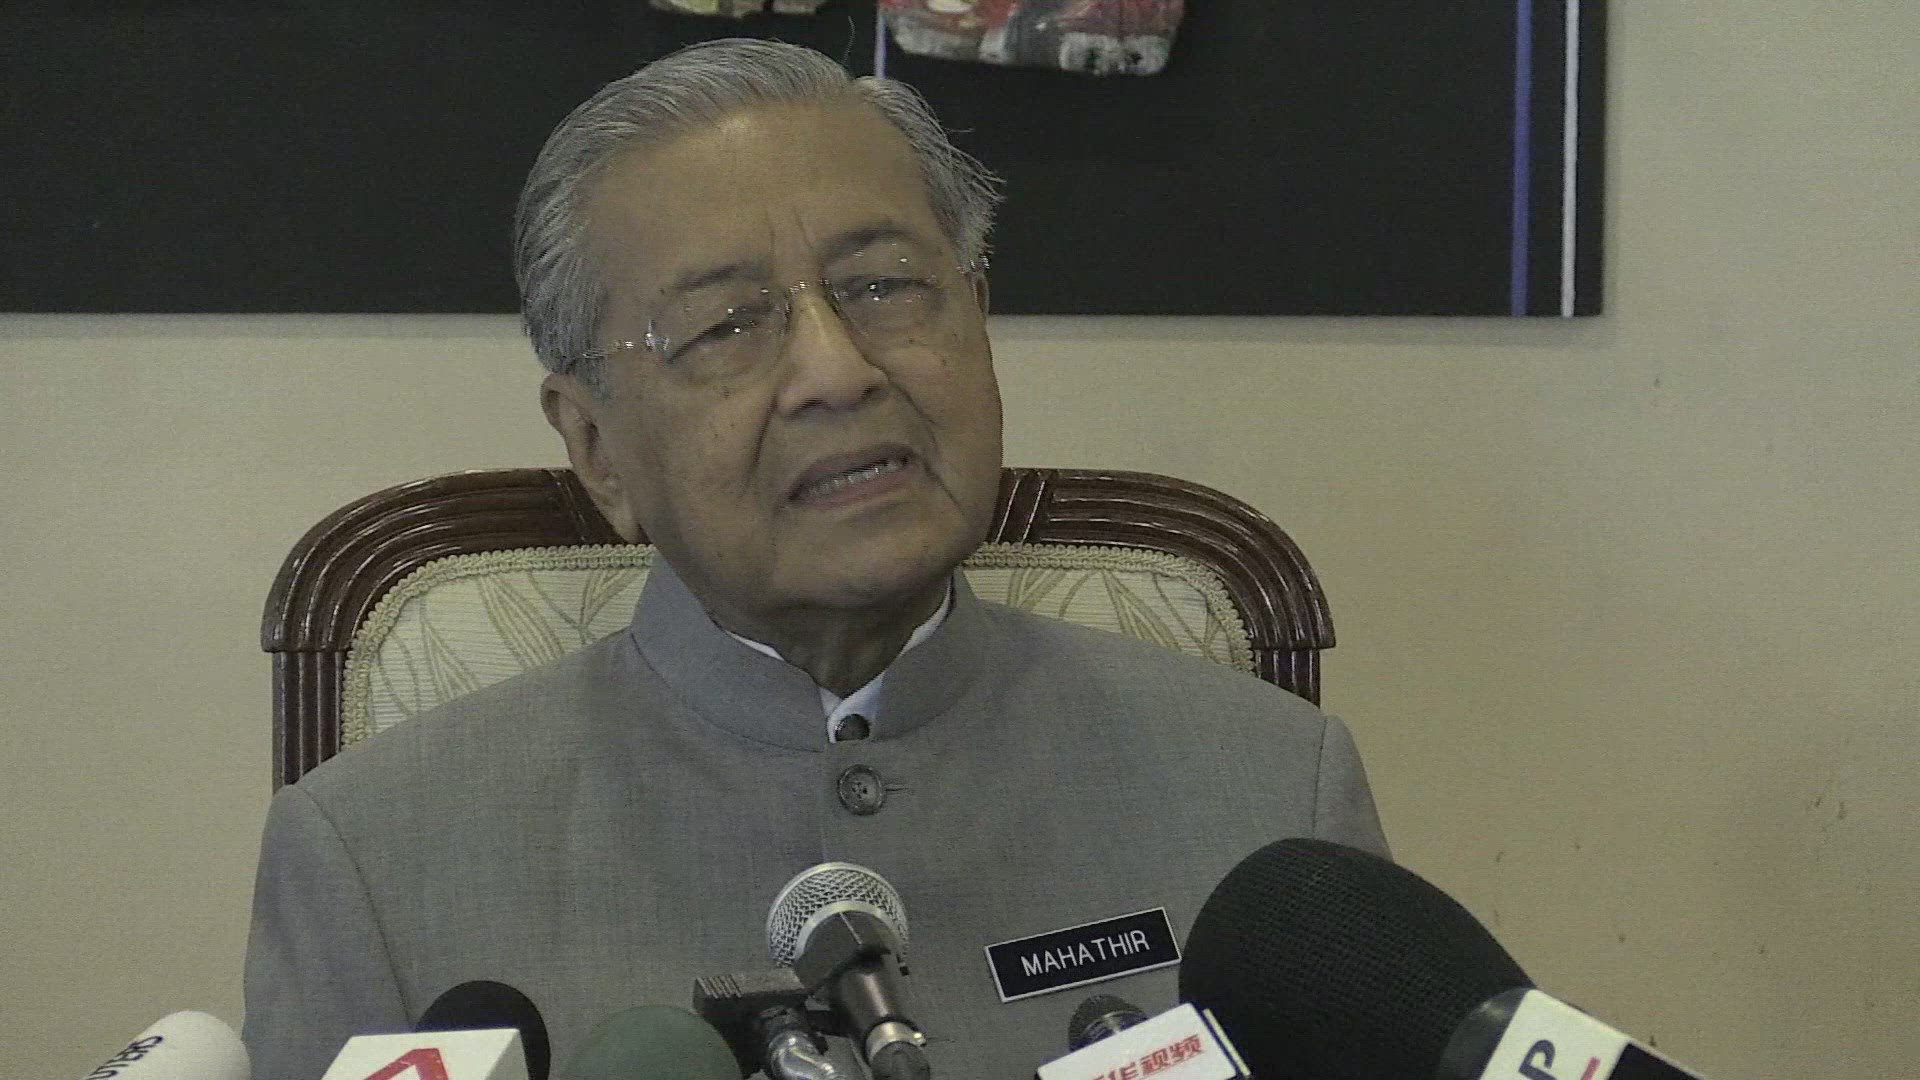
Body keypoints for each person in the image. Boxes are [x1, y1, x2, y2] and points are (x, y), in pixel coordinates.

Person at [241, 38, 1388, 1080]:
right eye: (727, 325)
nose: (837, 371)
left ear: (979, 319)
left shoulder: (1271, 794)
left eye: (884, 287)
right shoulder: (376, 864)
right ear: (595, 447)